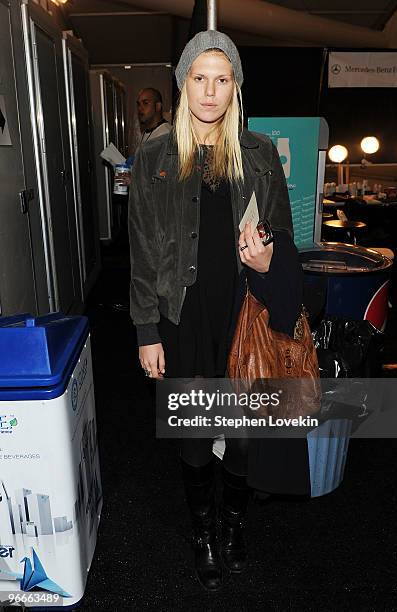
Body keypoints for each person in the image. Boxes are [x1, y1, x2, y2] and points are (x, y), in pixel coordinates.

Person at [128, 31, 303, 591]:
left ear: (235, 87)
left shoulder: (259, 154)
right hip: (182, 319)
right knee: (196, 436)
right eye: (199, 78)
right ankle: (202, 532)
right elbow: (142, 251)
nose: (209, 90)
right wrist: (146, 330)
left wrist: (267, 250)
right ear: (183, 84)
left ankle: (234, 526)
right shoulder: (154, 156)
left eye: (221, 79)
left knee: (245, 434)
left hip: (241, 313)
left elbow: (284, 234)